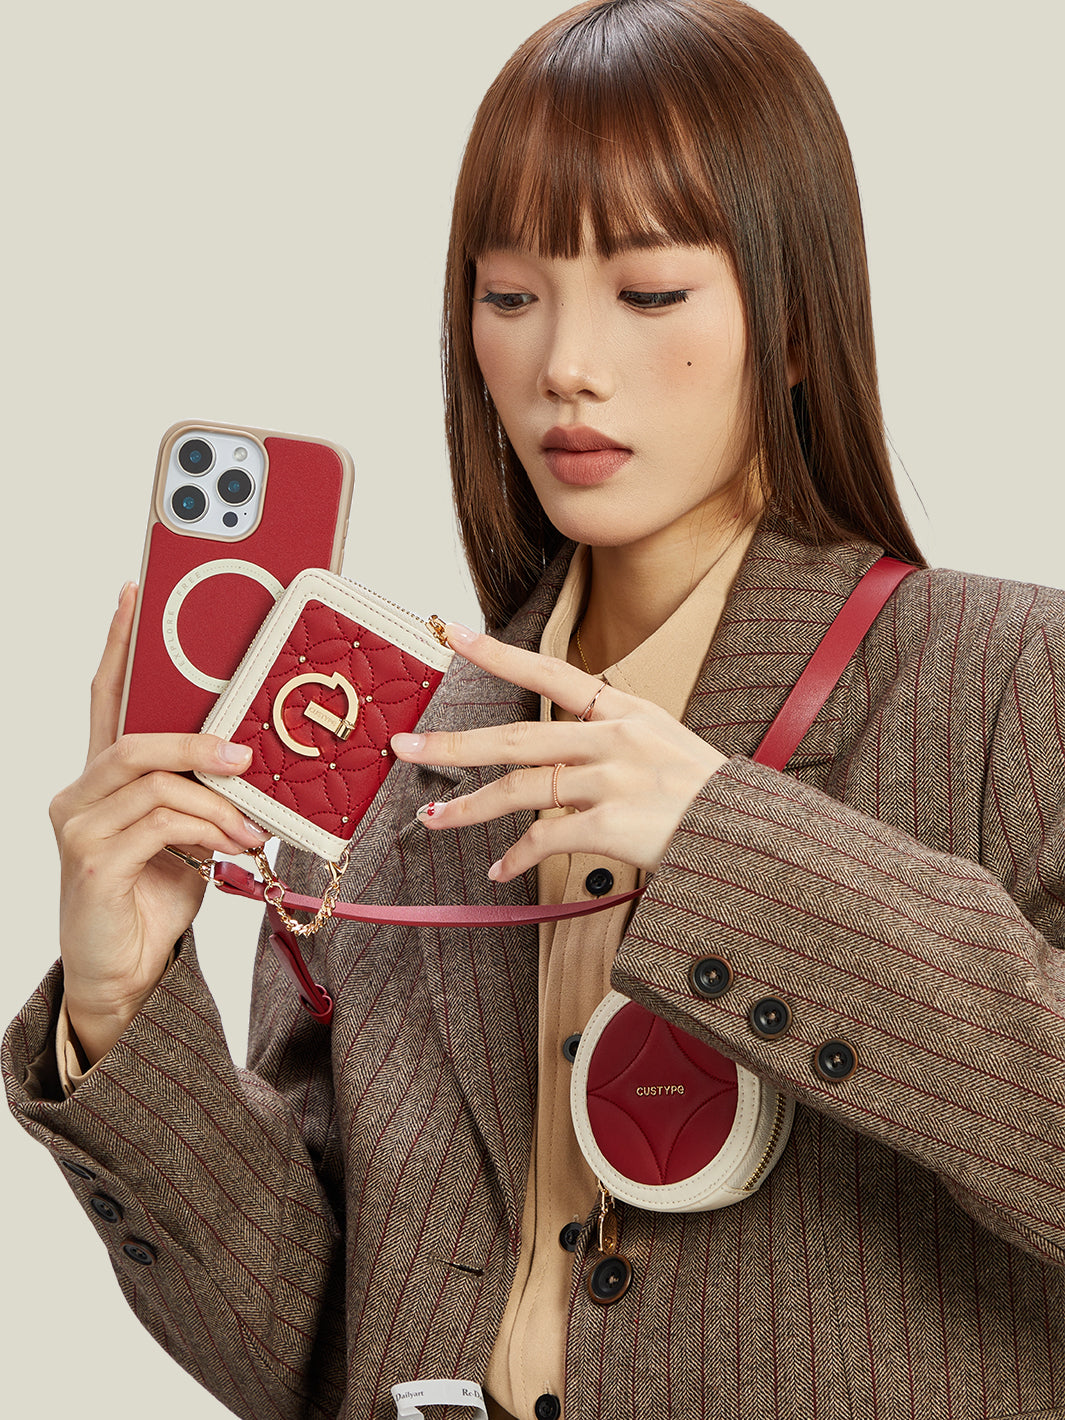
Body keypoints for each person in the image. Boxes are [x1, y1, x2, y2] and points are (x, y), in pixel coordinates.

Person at [6, 1, 1064, 1417]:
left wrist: (729, 842)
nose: (565, 361)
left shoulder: (1010, 679)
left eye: (649, 292)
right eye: (511, 297)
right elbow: (311, 1354)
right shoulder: (378, 747)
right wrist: (125, 1005)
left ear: (796, 324)